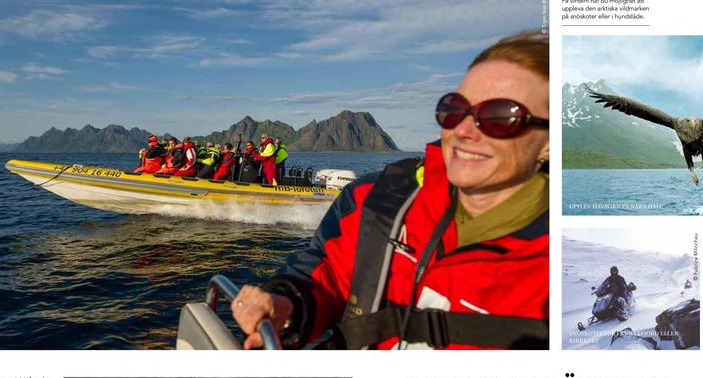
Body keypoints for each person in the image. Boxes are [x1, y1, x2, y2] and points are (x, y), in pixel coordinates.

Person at [230, 30, 550, 349]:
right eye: (454, 109)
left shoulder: (558, 266)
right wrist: (287, 305)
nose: (464, 130)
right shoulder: (378, 199)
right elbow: (327, 270)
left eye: (500, 116)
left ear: (549, 143)